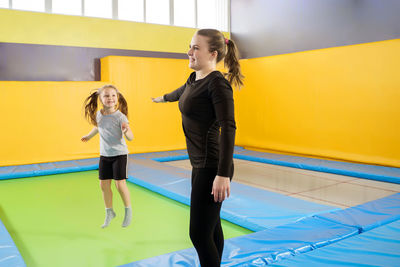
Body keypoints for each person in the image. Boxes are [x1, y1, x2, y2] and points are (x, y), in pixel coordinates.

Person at [152, 29, 243, 266]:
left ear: (212, 54)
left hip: (212, 166)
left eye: (195, 48)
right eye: (190, 46)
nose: (189, 52)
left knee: (199, 234)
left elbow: (229, 127)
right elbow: (180, 93)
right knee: (212, 228)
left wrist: (223, 174)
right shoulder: (194, 79)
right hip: (199, 165)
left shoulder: (218, 85)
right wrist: (162, 98)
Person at [81, 84, 134, 228]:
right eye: (106, 95)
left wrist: (126, 131)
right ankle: (109, 211)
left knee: (119, 184)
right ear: (100, 99)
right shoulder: (99, 114)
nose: (110, 98)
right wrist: (89, 136)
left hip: (119, 154)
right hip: (105, 155)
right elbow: (98, 127)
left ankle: (128, 211)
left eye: (113, 95)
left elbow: (131, 137)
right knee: (103, 185)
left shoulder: (120, 117)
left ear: (117, 98)